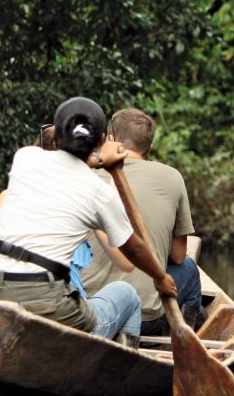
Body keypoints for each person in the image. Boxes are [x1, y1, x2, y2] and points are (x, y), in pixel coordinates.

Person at [0, 97, 176, 348]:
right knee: (127, 295)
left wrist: (95, 157)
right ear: (100, 141)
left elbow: (63, 156)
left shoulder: (25, 157)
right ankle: (119, 371)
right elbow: (133, 251)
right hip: (44, 302)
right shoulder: (99, 191)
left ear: (58, 133)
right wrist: (160, 277)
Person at [81, 108, 205, 336]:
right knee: (188, 267)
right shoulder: (172, 177)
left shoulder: (84, 175)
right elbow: (178, 256)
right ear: (149, 147)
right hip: (147, 318)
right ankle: (182, 339)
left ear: (110, 140)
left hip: (87, 311)